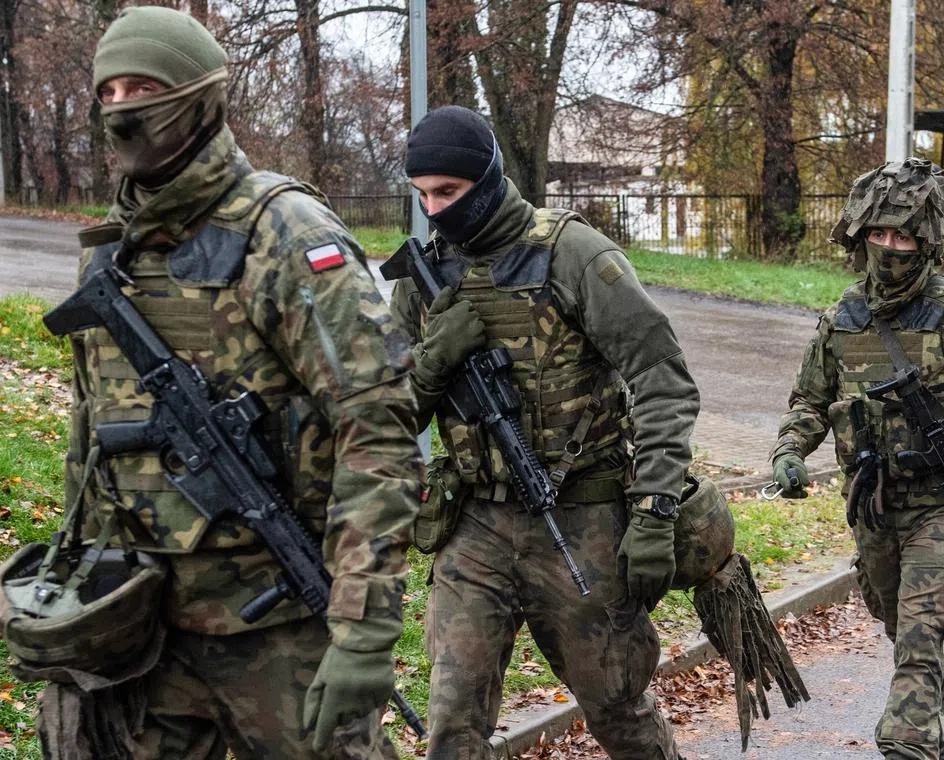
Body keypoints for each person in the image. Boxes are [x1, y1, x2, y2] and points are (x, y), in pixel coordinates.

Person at [23, 7, 421, 758]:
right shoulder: (110, 253)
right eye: (108, 93)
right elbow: (91, 434)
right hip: (138, 637)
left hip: (281, 634)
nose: (122, 110)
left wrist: (364, 625)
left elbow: (380, 430)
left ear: (202, 96)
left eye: (143, 88)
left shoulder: (287, 234)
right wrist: (74, 589)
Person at [387, 105, 701, 759]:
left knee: (617, 709)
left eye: (448, 192)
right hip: (474, 523)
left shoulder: (572, 252)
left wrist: (651, 510)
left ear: (489, 178)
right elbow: (384, 417)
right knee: (453, 725)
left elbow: (663, 382)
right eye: (422, 195)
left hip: (580, 519)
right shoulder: (423, 280)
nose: (436, 209)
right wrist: (433, 364)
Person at [770, 158, 944, 760]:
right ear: (861, 235)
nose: (891, 248)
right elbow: (809, 401)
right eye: (880, 235)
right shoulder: (843, 318)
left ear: (928, 242)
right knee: (901, 633)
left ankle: (907, 742)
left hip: (943, 510)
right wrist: (788, 451)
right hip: (872, 506)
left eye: (905, 236)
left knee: (919, 641)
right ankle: (933, 738)